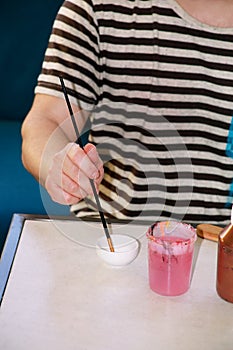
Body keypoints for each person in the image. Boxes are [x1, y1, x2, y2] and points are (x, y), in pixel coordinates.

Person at [21, 0, 233, 226]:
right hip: (116, 233)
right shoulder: (95, 8)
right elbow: (45, 121)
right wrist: (62, 167)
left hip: (222, 245)